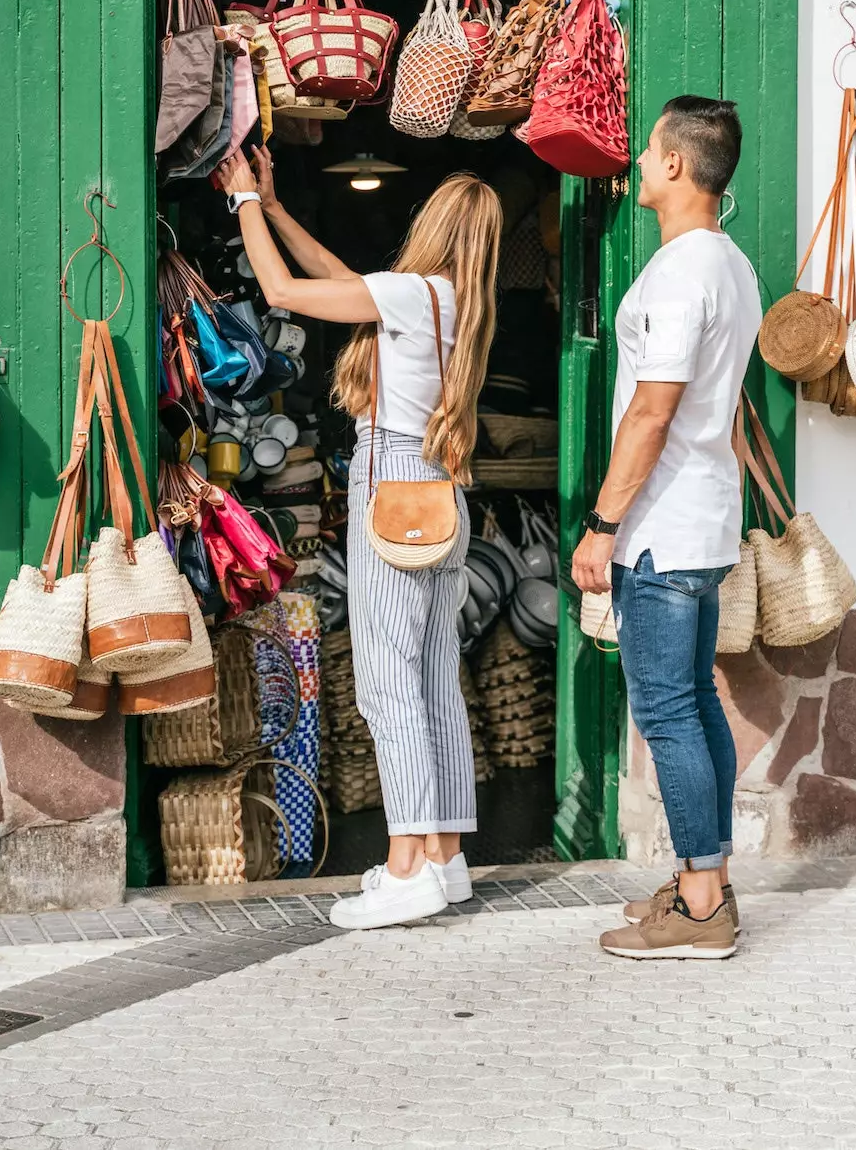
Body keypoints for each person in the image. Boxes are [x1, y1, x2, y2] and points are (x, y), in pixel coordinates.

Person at [217, 147, 503, 931]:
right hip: (444, 491)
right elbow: (343, 282)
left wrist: (242, 200)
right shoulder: (451, 302)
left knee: (387, 686)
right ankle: (444, 857)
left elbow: (283, 290)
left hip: (394, 487)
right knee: (436, 681)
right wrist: (276, 209)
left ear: (431, 227)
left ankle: (406, 866)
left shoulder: (414, 292)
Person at [571, 97, 762, 960]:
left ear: (678, 166)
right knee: (695, 707)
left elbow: (652, 411)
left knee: (666, 712)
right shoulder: (731, 266)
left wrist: (603, 524)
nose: (640, 160)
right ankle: (706, 886)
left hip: (661, 528)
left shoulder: (685, 272)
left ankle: (697, 907)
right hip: (703, 519)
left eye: (650, 149)